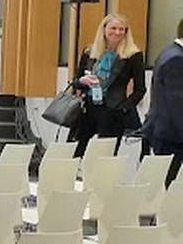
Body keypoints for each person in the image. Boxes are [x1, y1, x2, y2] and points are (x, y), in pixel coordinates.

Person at [69, 13, 144, 157]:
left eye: (122, 29)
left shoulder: (133, 55)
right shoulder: (90, 52)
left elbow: (140, 89)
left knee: (106, 154)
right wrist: (82, 81)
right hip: (88, 107)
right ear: (104, 29)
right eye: (113, 28)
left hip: (113, 110)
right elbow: (77, 82)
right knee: (75, 150)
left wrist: (124, 107)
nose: (117, 32)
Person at [141, 17, 183, 186]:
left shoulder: (169, 53)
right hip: (173, 135)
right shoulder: (177, 59)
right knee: (170, 185)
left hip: (168, 132)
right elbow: (177, 104)